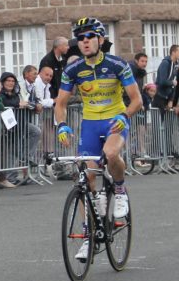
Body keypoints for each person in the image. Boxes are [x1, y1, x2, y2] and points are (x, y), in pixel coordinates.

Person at [53, 18, 141, 260]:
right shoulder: (73, 69)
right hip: (90, 124)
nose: (84, 42)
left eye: (89, 36)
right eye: (80, 38)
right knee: (85, 178)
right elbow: (60, 103)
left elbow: (137, 100)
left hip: (114, 120)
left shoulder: (117, 64)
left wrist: (125, 115)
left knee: (112, 154)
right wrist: (61, 125)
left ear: (100, 40)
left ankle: (120, 189)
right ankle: (88, 234)